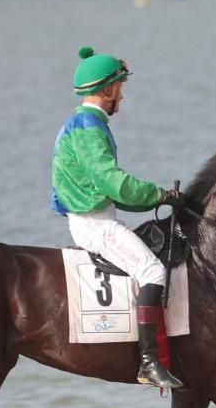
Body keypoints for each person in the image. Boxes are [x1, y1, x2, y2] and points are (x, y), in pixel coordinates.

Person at [51, 45, 183, 389]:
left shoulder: (86, 123)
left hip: (98, 216)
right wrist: (162, 195)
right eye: (120, 88)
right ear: (107, 89)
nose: (122, 96)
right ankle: (148, 362)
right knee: (153, 270)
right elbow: (115, 184)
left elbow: (115, 191)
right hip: (94, 224)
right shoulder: (88, 127)